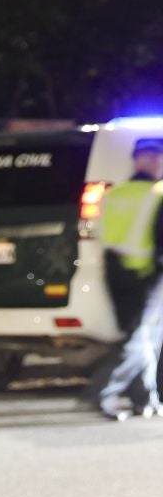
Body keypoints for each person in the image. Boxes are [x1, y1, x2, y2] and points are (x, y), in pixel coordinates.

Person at [92, 138, 163, 421]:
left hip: (114, 272)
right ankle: (103, 392)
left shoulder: (114, 193)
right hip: (147, 274)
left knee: (146, 338)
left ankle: (145, 399)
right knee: (138, 340)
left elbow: (102, 234)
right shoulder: (159, 193)